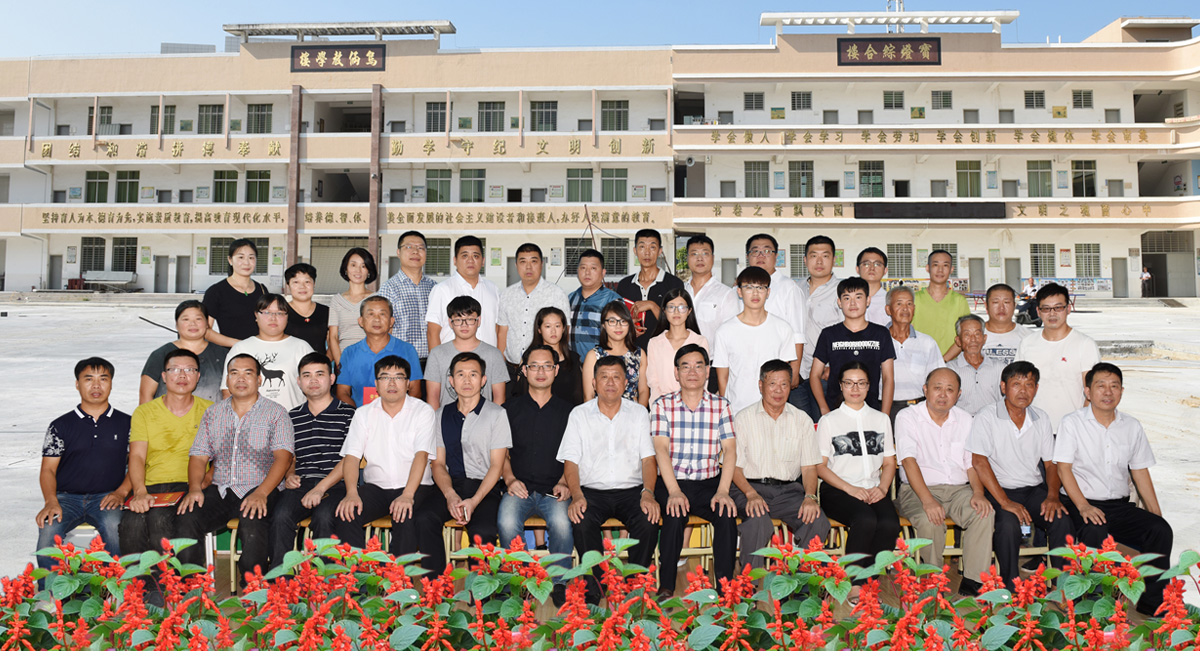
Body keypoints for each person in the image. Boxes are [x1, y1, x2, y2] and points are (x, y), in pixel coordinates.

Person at [1055, 362, 1173, 616]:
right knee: (1095, 530)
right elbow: (1063, 469)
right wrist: (1084, 506)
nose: (1108, 392)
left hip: (1119, 506)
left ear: (1121, 391)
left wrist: (1155, 513)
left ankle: (1153, 602)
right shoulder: (1072, 423)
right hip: (1079, 502)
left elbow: (1140, 471)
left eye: (1114, 386)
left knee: (1160, 530)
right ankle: (1095, 604)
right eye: (1101, 386)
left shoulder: (1132, 426)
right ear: (1088, 392)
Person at [176, 354, 294, 587]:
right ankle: (190, 588)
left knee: (252, 518)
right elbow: (199, 456)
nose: (241, 379)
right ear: (227, 380)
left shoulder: (276, 413)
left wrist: (262, 492)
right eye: (234, 373)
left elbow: (283, 458)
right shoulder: (213, 413)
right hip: (221, 489)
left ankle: (252, 588)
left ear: (259, 380)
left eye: (248, 373)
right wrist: (194, 488)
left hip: (261, 488)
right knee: (187, 515)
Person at [558, 355, 660, 604]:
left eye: (616, 377)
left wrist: (648, 493)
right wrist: (577, 495)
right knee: (581, 520)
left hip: (631, 490)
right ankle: (596, 588)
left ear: (625, 383)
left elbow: (648, 460)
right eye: (604, 377)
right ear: (594, 383)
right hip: (592, 491)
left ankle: (634, 586)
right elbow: (571, 462)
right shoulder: (579, 414)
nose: (610, 382)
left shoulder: (639, 413)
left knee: (648, 520)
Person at [968, 361, 1071, 590]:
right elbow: (979, 462)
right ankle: (1011, 587)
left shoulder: (1041, 418)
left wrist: (1053, 496)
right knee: (1008, 524)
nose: (1023, 391)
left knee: (1061, 519)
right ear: (1003, 387)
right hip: (998, 490)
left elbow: (1051, 464)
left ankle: (1063, 588)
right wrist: (1005, 502)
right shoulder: (987, 416)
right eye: (1016, 384)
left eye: (1029, 385)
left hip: (1033, 490)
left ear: (1036, 389)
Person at [894, 367, 994, 596]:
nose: (942, 394)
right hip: (918, 490)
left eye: (950, 389)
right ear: (925, 389)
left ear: (959, 394)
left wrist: (978, 493)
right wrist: (928, 500)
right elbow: (908, 461)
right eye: (937, 388)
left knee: (984, 513)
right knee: (930, 520)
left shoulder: (965, 419)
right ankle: (933, 581)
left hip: (959, 490)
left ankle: (973, 581)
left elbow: (971, 463)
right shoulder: (908, 417)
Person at [334, 356, 442, 568]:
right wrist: (351, 492)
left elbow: (421, 456)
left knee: (405, 514)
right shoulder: (363, 414)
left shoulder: (423, 411)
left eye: (398, 377)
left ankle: (397, 581)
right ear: (376, 384)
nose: (392, 383)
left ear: (408, 383)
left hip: (415, 487)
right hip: (377, 488)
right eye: (385, 377)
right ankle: (357, 577)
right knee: (347, 512)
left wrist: (408, 495)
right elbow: (352, 457)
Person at [651, 345, 738, 599]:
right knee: (674, 511)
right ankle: (666, 586)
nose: (692, 372)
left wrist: (723, 491)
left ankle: (725, 589)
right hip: (672, 480)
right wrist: (674, 491)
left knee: (726, 513)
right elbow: (660, 450)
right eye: (685, 366)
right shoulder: (662, 405)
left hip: (708, 482)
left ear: (708, 371)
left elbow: (730, 450)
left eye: (699, 366)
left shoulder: (721, 406)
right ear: (676, 372)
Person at [730, 359, 830, 569]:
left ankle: (802, 581)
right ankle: (750, 584)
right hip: (749, 487)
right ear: (761, 386)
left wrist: (810, 497)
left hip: (788, 492)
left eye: (784, 384)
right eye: (772, 383)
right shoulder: (743, 418)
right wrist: (750, 494)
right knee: (758, 520)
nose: (778, 390)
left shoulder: (801, 419)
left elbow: (809, 467)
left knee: (817, 520)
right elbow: (734, 468)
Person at [35, 358, 129, 574]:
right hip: (66, 499)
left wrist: (121, 492)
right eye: (88, 379)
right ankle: (53, 592)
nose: (96, 385)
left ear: (111, 384)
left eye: (103, 379)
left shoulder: (128, 423)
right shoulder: (60, 425)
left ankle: (113, 589)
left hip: (108, 497)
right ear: (77, 384)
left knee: (114, 530)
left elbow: (137, 463)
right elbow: (48, 469)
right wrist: (50, 501)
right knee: (48, 533)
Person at [816, 362, 899, 603]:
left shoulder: (881, 419)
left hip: (873, 487)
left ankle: (869, 581)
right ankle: (853, 584)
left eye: (861, 383)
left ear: (869, 386)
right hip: (838, 489)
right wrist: (850, 489)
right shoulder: (829, 421)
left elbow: (889, 462)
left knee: (889, 523)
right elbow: (820, 466)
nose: (855, 388)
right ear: (840, 386)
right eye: (849, 383)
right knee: (865, 519)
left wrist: (882, 488)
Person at [121, 349, 213, 558]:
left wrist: (206, 480)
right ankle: (138, 579)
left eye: (189, 370)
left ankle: (171, 579)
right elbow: (137, 456)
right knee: (131, 525)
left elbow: (223, 456)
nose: (182, 375)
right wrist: (139, 491)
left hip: (191, 484)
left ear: (198, 376)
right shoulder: (144, 412)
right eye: (175, 370)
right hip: (151, 485)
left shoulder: (211, 411)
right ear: (164, 376)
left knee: (160, 521)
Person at [499, 345, 573, 597]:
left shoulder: (570, 412)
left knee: (562, 524)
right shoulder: (508, 410)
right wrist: (510, 479)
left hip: (555, 489)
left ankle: (560, 582)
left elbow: (574, 455)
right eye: (534, 366)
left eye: (547, 366)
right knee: (506, 522)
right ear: (524, 370)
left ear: (556, 370)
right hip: (518, 487)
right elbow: (501, 454)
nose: (541, 372)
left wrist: (565, 481)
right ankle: (519, 581)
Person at [270, 353, 355, 568]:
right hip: (302, 483)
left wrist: (320, 488)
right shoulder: (291, 417)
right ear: (299, 381)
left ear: (332, 378)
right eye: (307, 375)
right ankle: (281, 579)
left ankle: (324, 580)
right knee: (280, 515)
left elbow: (350, 458)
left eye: (320, 374)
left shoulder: (349, 414)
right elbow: (290, 456)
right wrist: (289, 474)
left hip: (337, 484)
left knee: (324, 516)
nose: (313, 380)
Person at [428, 352, 513, 550]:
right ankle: (437, 572)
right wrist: (450, 495)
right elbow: (438, 464)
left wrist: (474, 501)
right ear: (451, 381)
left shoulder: (497, 414)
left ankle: (481, 572)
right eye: (460, 375)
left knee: (483, 532)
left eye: (473, 375)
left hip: (484, 488)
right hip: (450, 485)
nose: (467, 380)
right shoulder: (440, 415)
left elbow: (497, 466)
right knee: (425, 519)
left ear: (483, 380)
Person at [1016, 282, 1100, 433]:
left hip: (1071, 432)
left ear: (1068, 309)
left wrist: (1079, 427)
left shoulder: (1085, 344)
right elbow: (1017, 387)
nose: (1052, 313)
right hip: (1033, 431)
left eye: (1058, 307)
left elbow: (1093, 392)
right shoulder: (1027, 344)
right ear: (1038, 311)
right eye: (1046, 308)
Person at [712, 267, 798, 414]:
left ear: (768, 292)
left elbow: (782, 376)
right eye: (749, 287)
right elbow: (723, 378)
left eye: (760, 287)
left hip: (772, 411)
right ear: (739, 291)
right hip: (737, 410)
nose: (755, 293)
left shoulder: (783, 328)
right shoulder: (725, 331)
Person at [744, 234, 810, 414]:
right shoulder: (741, 288)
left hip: (781, 373)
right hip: (749, 368)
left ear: (776, 256)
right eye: (755, 251)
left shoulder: (789, 288)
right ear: (748, 256)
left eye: (766, 251)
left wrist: (793, 372)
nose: (760, 255)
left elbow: (798, 333)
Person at [811, 277, 895, 415]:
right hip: (836, 410)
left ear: (868, 300)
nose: (853, 303)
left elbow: (888, 377)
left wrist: (885, 414)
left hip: (871, 410)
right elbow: (814, 375)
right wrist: (824, 408)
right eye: (847, 298)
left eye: (858, 297)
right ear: (839, 302)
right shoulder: (829, 334)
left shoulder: (881, 334)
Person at [223, 294, 314, 411]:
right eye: (267, 312)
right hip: (251, 420)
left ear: (287, 317)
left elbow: (315, 388)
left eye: (280, 313)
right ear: (256, 315)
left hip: (293, 418)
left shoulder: (301, 347)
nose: (273, 318)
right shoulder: (241, 348)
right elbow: (227, 391)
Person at [497, 242, 570, 382]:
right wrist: (500, 367)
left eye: (534, 261)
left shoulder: (556, 294)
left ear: (541, 264)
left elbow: (564, 332)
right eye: (523, 262)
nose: (528, 267)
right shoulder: (506, 294)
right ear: (516, 265)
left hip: (543, 372)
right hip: (511, 369)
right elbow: (502, 332)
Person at [335, 296, 423, 407]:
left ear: (391, 321)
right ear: (361, 321)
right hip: (359, 414)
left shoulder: (407, 350)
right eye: (371, 314)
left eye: (382, 314)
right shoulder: (349, 353)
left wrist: (397, 413)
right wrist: (358, 414)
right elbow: (342, 393)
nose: (377, 319)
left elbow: (415, 391)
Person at [424, 296, 509, 409]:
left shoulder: (494, 354)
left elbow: (499, 398)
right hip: (447, 418)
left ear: (478, 321)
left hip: (484, 418)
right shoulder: (437, 354)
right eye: (458, 320)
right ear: (450, 322)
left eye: (470, 319)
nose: (464, 325)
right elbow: (433, 398)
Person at [140, 300, 229, 404]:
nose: (193, 324)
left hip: (213, 414)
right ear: (176, 325)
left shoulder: (223, 355)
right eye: (186, 319)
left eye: (198, 319)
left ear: (207, 324)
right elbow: (145, 395)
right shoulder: (160, 355)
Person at [616, 229, 685, 350]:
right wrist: (628, 327)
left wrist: (652, 306)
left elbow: (678, 322)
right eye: (642, 247)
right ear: (635, 251)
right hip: (631, 352)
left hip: (665, 351)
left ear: (660, 251)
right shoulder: (624, 285)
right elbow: (616, 320)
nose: (647, 253)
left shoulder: (674, 284)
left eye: (652, 247)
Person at [427, 236, 500, 349]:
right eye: (465, 256)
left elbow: (497, 329)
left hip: (488, 358)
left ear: (483, 261)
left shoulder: (492, 289)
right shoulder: (442, 289)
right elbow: (433, 332)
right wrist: (436, 359)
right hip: (452, 358)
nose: (470, 260)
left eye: (475, 256)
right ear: (455, 260)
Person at [379, 230, 438, 369]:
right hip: (401, 363)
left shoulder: (435, 288)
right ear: (398, 252)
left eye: (420, 248)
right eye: (409, 247)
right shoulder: (388, 289)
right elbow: (384, 330)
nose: (415, 252)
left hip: (433, 364)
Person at [885, 285, 945, 423]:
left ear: (914, 309)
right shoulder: (878, 341)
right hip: (885, 409)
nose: (905, 309)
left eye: (909, 304)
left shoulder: (927, 343)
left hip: (918, 410)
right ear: (888, 309)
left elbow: (938, 379)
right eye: (899, 304)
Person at [800, 235, 842, 420]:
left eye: (825, 256)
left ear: (833, 260)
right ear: (805, 260)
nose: (819, 261)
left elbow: (848, 331)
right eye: (813, 255)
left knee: (825, 426)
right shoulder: (795, 289)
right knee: (801, 428)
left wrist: (834, 365)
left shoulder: (842, 290)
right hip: (798, 374)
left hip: (826, 374)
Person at [509, 307, 584, 405]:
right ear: (539, 329)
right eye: (548, 326)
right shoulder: (529, 357)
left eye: (557, 326)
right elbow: (520, 394)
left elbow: (579, 396)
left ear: (563, 328)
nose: (553, 331)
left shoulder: (574, 359)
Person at [203, 239, 270, 348]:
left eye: (251, 258)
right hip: (232, 352)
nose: (246, 262)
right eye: (241, 257)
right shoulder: (216, 291)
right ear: (230, 260)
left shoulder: (262, 289)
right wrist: (239, 344)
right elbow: (205, 330)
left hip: (261, 351)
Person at [645, 289, 708, 403]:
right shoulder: (655, 343)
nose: (676, 312)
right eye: (671, 307)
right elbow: (653, 382)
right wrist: (659, 407)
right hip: (662, 404)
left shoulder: (700, 341)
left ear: (689, 311)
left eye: (682, 307)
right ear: (664, 310)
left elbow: (703, 379)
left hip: (693, 403)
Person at [582, 301, 649, 406]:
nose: (618, 326)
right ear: (604, 325)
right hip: (601, 412)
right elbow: (588, 396)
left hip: (633, 412)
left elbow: (644, 391)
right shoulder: (593, 356)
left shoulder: (639, 354)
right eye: (612, 321)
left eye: (623, 321)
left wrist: (640, 413)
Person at [911, 249, 971, 361]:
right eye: (935, 265)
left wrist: (942, 361)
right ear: (927, 268)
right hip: (919, 362)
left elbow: (964, 337)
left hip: (950, 363)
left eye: (945, 265)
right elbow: (906, 333)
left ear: (951, 269)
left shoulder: (960, 301)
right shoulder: (914, 299)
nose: (940, 270)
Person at [568, 248, 624, 360]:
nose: (587, 272)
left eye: (593, 268)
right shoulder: (569, 299)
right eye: (583, 268)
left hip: (602, 365)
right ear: (577, 271)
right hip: (572, 366)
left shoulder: (613, 301)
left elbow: (620, 338)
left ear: (603, 273)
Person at [682, 234, 739, 342]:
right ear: (687, 258)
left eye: (705, 253)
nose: (699, 258)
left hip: (711, 353)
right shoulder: (680, 291)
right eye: (694, 254)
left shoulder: (726, 294)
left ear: (713, 258)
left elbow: (731, 334)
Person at [328, 248, 378, 364]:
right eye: (353, 265)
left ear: (369, 270)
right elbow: (333, 337)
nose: (358, 270)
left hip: (372, 360)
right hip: (344, 359)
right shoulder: (336, 300)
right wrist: (340, 364)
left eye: (363, 266)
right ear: (346, 268)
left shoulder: (377, 299)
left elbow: (385, 333)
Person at [947, 315, 1004, 415]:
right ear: (958, 341)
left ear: (984, 338)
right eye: (967, 335)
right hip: (961, 422)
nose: (973, 339)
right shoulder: (950, 370)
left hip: (992, 421)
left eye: (977, 334)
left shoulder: (1000, 368)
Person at [283, 263, 330, 355]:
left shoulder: (326, 312)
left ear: (314, 284)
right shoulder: (281, 312)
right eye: (296, 282)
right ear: (288, 286)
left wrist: (324, 362)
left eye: (307, 282)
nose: (302, 287)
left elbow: (333, 342)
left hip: (320, 363)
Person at [980, 284, 1031, 365]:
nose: (1001, 307)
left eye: (1006, 302)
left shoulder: (1029, 337)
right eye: (995, 302)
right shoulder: (972, 336)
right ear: (986, 306)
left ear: (1014, 305)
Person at [857, 247, 890, 326]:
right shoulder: (847, 300)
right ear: (857, 269)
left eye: (877, 264)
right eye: (866, 264)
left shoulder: (890, 301)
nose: (872, 268)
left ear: (885, 271)